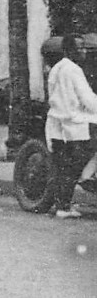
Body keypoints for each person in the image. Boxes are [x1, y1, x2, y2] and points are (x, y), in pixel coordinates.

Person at [45, 34, 97, 218]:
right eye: (79, 48)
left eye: (84, 47)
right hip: (75, 124)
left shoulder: (56, 69)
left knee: (63, 167)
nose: (83, 51)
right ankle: (88, 178)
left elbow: (52, 95)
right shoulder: (74, 70)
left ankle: (63, 206)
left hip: (56, 124)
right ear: (68, 50)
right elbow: (87, 98)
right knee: (76, 166)